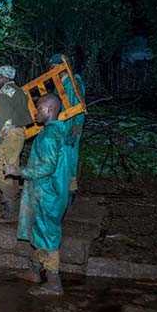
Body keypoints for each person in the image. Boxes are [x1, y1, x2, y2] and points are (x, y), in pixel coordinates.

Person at [5, 94, 71, 296]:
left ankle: (54, 283)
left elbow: (47, 167)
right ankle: (34, 271)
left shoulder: (49, 136)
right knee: (38, 230)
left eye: (39, 108)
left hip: (47, 193)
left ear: (50, 110)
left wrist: (19, 171)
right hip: (50, 190)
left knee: (47, 235)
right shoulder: (58, 132)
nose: (36, 112)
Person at [0, 65, 34, 221]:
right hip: (20, 133)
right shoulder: (20, 92)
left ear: (5, 78)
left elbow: (5, 121)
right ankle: (12, 203)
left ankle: (9, 210)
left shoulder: (4, 93)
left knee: (3, 170)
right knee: (12, 167)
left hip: (11, 134)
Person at [48, 54, 86, 206]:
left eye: (53, 67)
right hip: (65, 128)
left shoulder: (72, 83)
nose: (51, 70)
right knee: (63, 161)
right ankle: (64, 195)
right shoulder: (63, 83)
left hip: (69, 129)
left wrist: (73, 128)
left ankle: (67, 197)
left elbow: (74, 108)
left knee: (68, 161)